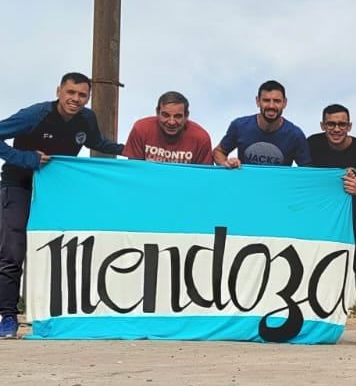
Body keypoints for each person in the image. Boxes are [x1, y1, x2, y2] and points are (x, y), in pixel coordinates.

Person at [0, 72, 123, 339]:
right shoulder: (36, 114)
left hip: (57, 191)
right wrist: (22, 157)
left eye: (82, 95)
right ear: (59, 91)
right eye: (70, 93)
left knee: (64, 247)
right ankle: (8, 317)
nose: (75, 99)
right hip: (19, 185)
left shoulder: (86, 118)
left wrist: (129, 149)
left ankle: (61, 311)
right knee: (13, 250)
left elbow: (96, 143)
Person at [307, 104, 356, 346]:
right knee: (318, 264)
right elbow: (300, 177)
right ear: (323, 126)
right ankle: (313, 321)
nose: (336, 129)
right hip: (324, 219)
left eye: (342, 124)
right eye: (331, 124)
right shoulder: (312, 145)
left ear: (349, 126)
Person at [213, 81, 310, 169]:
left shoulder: (295, 135)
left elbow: (307, 171)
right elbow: (219, 152)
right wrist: (226, 164)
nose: (271, 106)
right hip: (246, 186)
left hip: (278, 187)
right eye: (266, 100)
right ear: (258, 101)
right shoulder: (239, 126)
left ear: (284, 103)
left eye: (277, 101)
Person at [123, 91, 213, 165]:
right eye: (166, 115)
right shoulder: (141, 129)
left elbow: (204, 176)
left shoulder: (201, 138)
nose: (171, 122)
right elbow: (133, 170)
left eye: (178, 116)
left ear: (186, 116)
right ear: (157, 112)